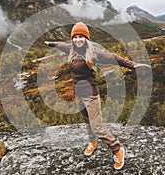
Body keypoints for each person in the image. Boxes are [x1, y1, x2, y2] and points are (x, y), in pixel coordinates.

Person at [44, 22, 150, 170]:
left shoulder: (94, 53)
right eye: (75, 37)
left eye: (81, 36)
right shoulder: (71, 49)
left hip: (90, 96)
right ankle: (92, 142)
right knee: (87, 121)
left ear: (86, 38)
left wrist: (132, 65)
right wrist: (50, 43)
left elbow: (113, 57)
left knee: (98, 127)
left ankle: (117, 150)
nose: (78, 40)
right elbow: (61, 44)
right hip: (78, 95)